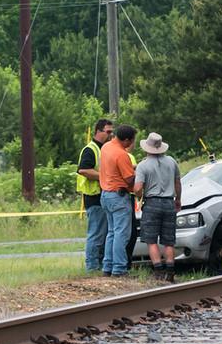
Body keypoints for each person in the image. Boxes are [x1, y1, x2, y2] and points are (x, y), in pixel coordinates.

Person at [133, 132, 182, 281]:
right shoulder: (171, 162)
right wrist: (178, 199)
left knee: (151, 240)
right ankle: (171, 271)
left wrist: (140, 196)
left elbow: (137, 188)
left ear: (147, 147)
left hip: (152, 203)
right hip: (169, 202)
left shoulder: (143, 165)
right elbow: (178, 183)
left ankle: (158, 272)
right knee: (168, 240)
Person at [99, 124, 139, 277]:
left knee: (111, 233)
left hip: (105, 194)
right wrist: (140, 174)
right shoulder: (122, 155)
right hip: (119, 196)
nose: (132, 144)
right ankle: (119, 269)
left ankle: (107, 267)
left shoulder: (106, 147)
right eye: (132, 140)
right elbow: (129, 179)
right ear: (127, 140)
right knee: (122, 234)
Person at [76, 118, 114, 272]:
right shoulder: (90, 149)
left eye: (112, 132)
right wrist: (105, 176)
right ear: (98, 131)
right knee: (96, 234)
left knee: (104, 234)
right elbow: (84, 170)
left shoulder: (105, 148)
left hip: (104, 197)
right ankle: (92, 267)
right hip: (94, 198)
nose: (111, 135)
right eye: (108, 132)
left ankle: (100, 265)